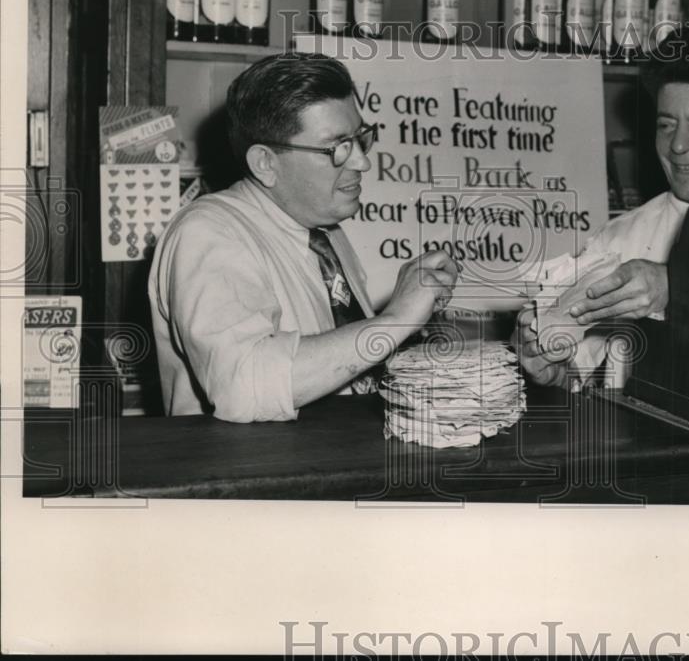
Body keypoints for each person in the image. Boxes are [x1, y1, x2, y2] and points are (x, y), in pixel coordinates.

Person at [149, 53, 458, 422]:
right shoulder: (207, 232)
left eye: (361, 138)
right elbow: (244, 387)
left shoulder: (327, 235)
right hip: (248, 474)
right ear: (265, 162)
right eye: (336, 147)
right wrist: (395, 319)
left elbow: (341, 370)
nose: (361, 162)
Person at [514, 27, 689, 389]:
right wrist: (553, 372)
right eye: (666, 125)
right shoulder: (617, 239)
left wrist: (679, 286)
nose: (678, 145)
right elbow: (581, 369)